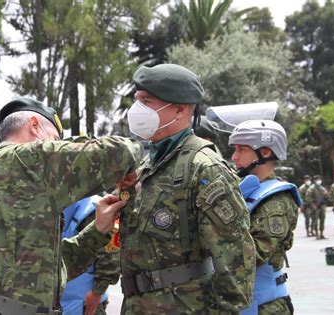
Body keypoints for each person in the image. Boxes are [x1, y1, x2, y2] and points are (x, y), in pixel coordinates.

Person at [0, 97, 142, 315]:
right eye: (55, 139)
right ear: (35, 126)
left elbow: (46, 269)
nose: (58, 147)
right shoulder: (26, 159)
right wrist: (127, 169)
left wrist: (98, 230)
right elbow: (122, 152)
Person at [102, 63, 256, 314]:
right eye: (137, 100)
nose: (137, 109)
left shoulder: (204, 167)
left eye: (147, 101)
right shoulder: (147, 164)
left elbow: (235, 261)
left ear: (179, 110)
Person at [229, 120, 300, 315]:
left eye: (242, 150)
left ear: (266, 152)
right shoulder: (244, 190)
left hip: (264, 306)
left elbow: (256, 254)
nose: (234, 157)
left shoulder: (276, 199)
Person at [60, 195, 120, 315]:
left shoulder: (94, 208)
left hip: (84, 301)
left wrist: (97, 292)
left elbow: (109, 257)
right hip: (57, 298)